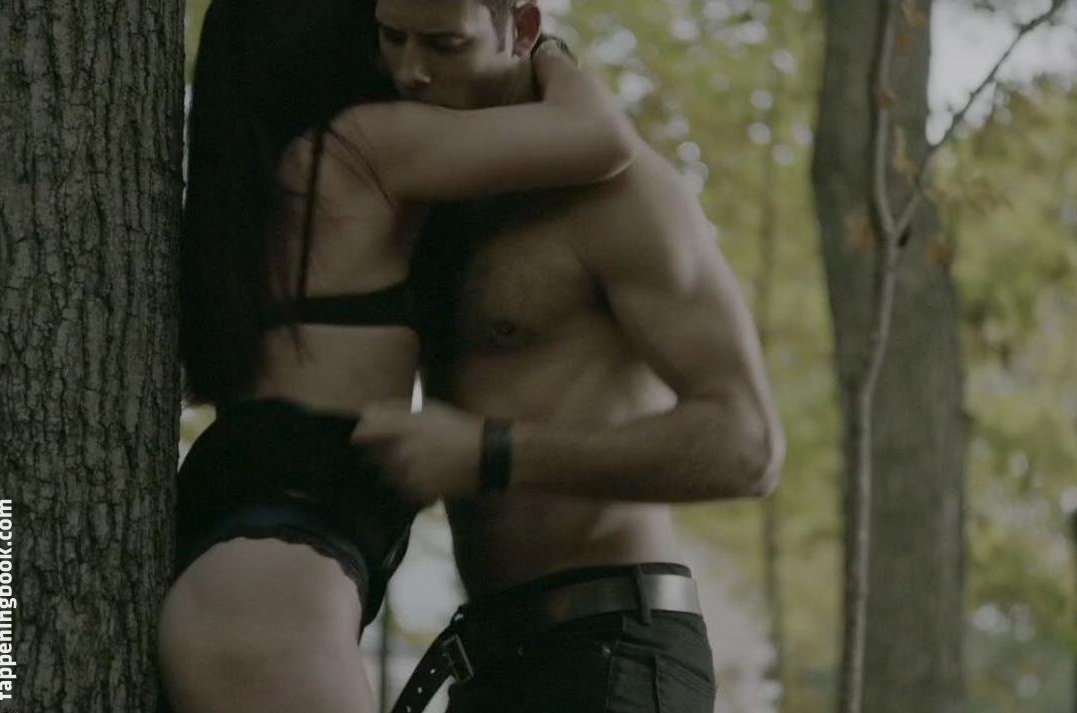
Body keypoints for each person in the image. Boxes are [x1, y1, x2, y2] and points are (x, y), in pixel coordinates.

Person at [156, 0, 637, 710]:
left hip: (248, 580)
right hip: (273, 600)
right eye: (384, 31)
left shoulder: (261, 177)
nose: (409, 63)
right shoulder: (367, 145)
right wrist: (541, 49)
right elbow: (599, 137)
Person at [350, 1, 786, 711]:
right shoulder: (426, 186)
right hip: (490, 654)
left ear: (521, 29)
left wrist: (493, 453)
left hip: (615, 648)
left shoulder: (624, 191)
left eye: (445, 44)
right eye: (391, 38)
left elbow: (749, 447)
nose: (410, 71)